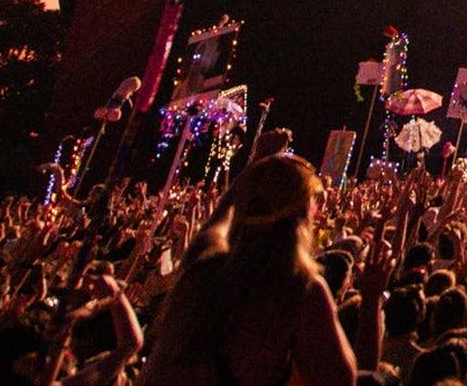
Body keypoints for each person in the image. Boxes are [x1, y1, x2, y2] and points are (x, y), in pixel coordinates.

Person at [139, 154, 357, 385]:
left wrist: (255, 165)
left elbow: (214, 226)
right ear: (301, 215)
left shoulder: (203, 268)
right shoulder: (299, 291)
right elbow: (340, 379)